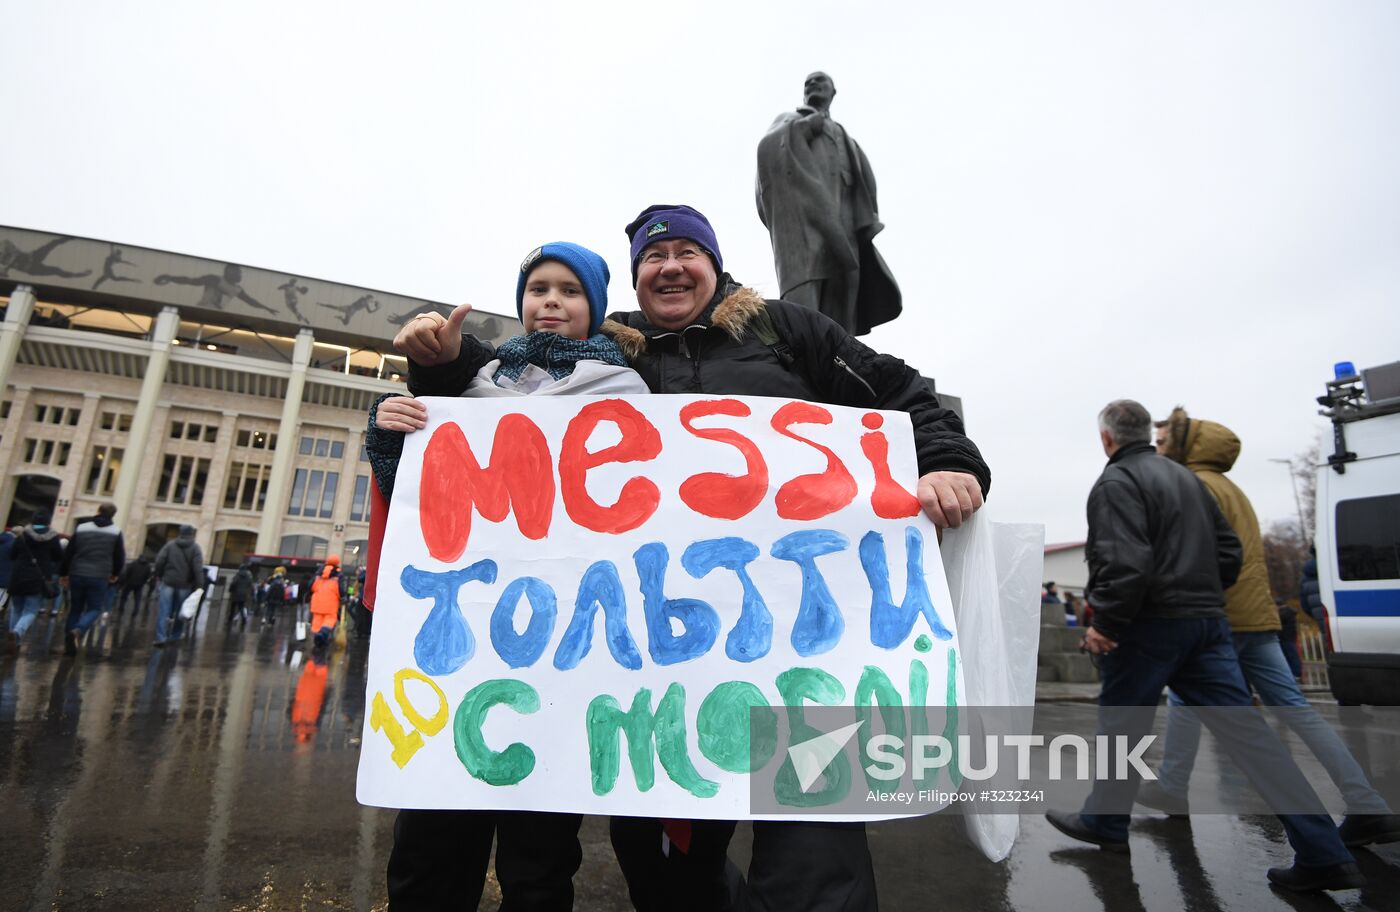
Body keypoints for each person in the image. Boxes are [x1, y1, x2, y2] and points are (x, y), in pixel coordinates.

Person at [395, 209, 989, 912]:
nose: (671, 265)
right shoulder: (612, 349)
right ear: (635, 277)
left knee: (813, 850)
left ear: (714, 264)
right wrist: (439, 362)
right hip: (671, 649)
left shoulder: (785, 329)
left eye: (686, 251)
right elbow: (507, 381)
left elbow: (899, 393)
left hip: (808, 638)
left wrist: (947, 459)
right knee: (667, 863)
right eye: (654, 257)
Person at [371, 240, 647, 912]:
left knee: (540, 861)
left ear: (595, 307)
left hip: (565, 656)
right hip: (462, 647)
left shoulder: (632, 395)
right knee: (430, 849)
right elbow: (419, 502)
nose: (551, 301)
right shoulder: (471, 386)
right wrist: (390, 430)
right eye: (538, 289)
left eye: (570, 291)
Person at [1045, 400, 1362, 893]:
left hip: (1148, 626)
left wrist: (1105, 622)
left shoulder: (1116, 482)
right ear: (1144, 434)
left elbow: (1123, 562)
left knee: (1121, 727)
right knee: (1251, 738)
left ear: (1107, 438)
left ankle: (1105, 822)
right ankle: (1324, 851)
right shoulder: (1187, 479)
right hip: (1207, 625)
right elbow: (1229, 551)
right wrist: (1204, 595)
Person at [1139, 408, 1400, 848]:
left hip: (1220, 617)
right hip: (1257, 616)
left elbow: (1188, 557)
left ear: (1184, 445)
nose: (1157, 450)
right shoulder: (1232, 488)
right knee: (1295, 710)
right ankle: (1366, 803)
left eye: (1163, 442)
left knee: (1191, 700)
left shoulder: (1192, 485)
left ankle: (1175, 787)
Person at [755, 72, 900, 336]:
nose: (813, 84)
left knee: (843, 291)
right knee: (804, 290)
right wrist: (804, 128)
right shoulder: (790, 120)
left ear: (833, 92)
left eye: (820, 80)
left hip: (845, 219)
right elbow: (768, 148)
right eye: (808, 82)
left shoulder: (844, 136)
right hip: (807, 218)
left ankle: (839, 352)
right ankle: (800, 348)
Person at [59, 502, 126, 656]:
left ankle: (68, 642)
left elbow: (70, 552)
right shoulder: (116, 532)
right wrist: (115, 573)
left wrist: (64, 573)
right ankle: (79, 629)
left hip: (77, 572)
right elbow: (119, 556)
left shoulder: (82, 528)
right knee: (94, 608)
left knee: (75, 608)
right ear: (113, 515)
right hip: (100, 575)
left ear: (98, 511)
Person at [5, 511, 64, 654]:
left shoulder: (23, 535)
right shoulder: (53, 537)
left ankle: (14, 640)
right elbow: (58, 556)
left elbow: (12, 554)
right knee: (30, 610)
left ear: (33, 521)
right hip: (39, 577)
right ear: (48, 522)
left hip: (18, 576)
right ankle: (17, 633)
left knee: (16, 609)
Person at [152, 525, 204, 647]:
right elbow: (197, 568)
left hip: (168, 581)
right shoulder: (195, 548)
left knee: (164, 610)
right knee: (181, 611)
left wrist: (159, 574)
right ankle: (175, 636)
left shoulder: (170, 545)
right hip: (185, 584)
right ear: (192, 534)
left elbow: (159, 561)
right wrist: (199, 585)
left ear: (180, 533)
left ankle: (161, 637)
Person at [309, 555, 342, 648]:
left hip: (317, 601)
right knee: (329, 620)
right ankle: (322, 635)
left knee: (317, 621)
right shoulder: (338, 574)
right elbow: (341, 589)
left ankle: (318, 639)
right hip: (331, 602)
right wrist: (343, 597)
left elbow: (310, 585)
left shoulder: (319, 572)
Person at [114, 554, 153, 619]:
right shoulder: (147, 566)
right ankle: (136, 611)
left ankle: (121, 608)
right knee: (137, 599)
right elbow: (148, 576)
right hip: (139, 585)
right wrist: (143, 582)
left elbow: (127, 573)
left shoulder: (133, 563)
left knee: (124, 597)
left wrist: (125, 581)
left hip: (129, 583)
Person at [227, 561, 254, 626]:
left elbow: (233, 583)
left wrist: (230, 590)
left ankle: (230, 619)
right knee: (241, 607)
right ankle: (244, 619)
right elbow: (251, 586)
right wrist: (251, 593)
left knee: (232, 607)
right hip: (243, 595)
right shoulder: (248, 577)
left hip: (235, 594)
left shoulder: (237, 575)